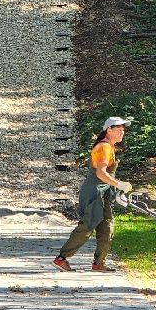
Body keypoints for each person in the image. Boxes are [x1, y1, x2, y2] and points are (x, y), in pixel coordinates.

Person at [54, 116, 132, 272]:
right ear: (108, 130)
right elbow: (101, 173)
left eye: (123, 130)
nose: (122, 133)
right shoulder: (104, 147)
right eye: (118, 130)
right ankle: (61, 258)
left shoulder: (110, 147)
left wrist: (115, 187)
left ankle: (99, 263)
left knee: (107, 227)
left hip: (103, 193)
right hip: (94, 192)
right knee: (87, 227)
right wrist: (119, 184)